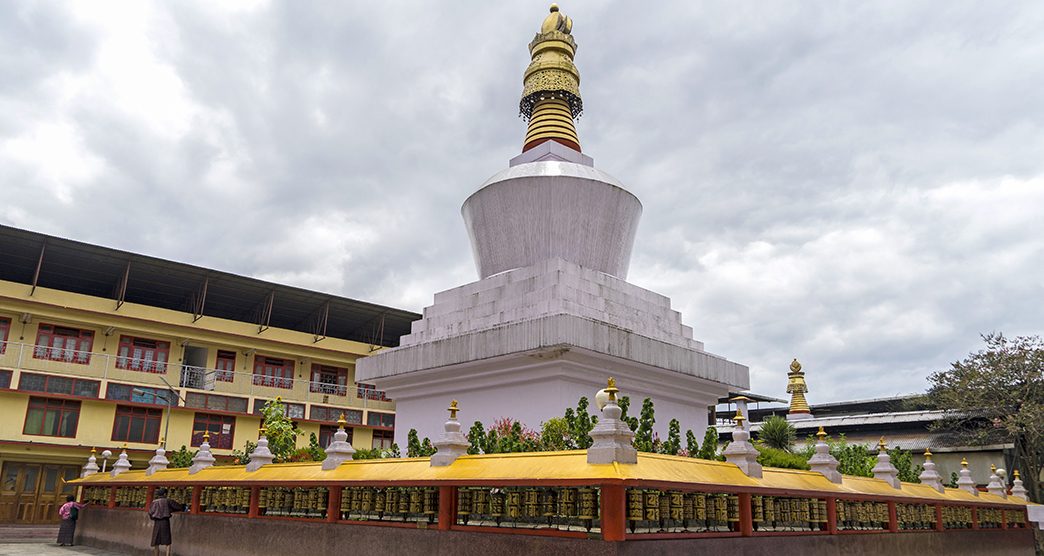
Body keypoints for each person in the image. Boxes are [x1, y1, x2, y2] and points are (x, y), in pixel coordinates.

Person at [147, 488, 185, 556]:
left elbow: (150, 512)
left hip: (157, 522)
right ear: (164, 494)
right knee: (167, 541)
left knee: (156, 541)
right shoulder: (168, 501)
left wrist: (153, 518)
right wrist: (172, 510)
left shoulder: (154, 502)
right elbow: (178, 507)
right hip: (165, 522)